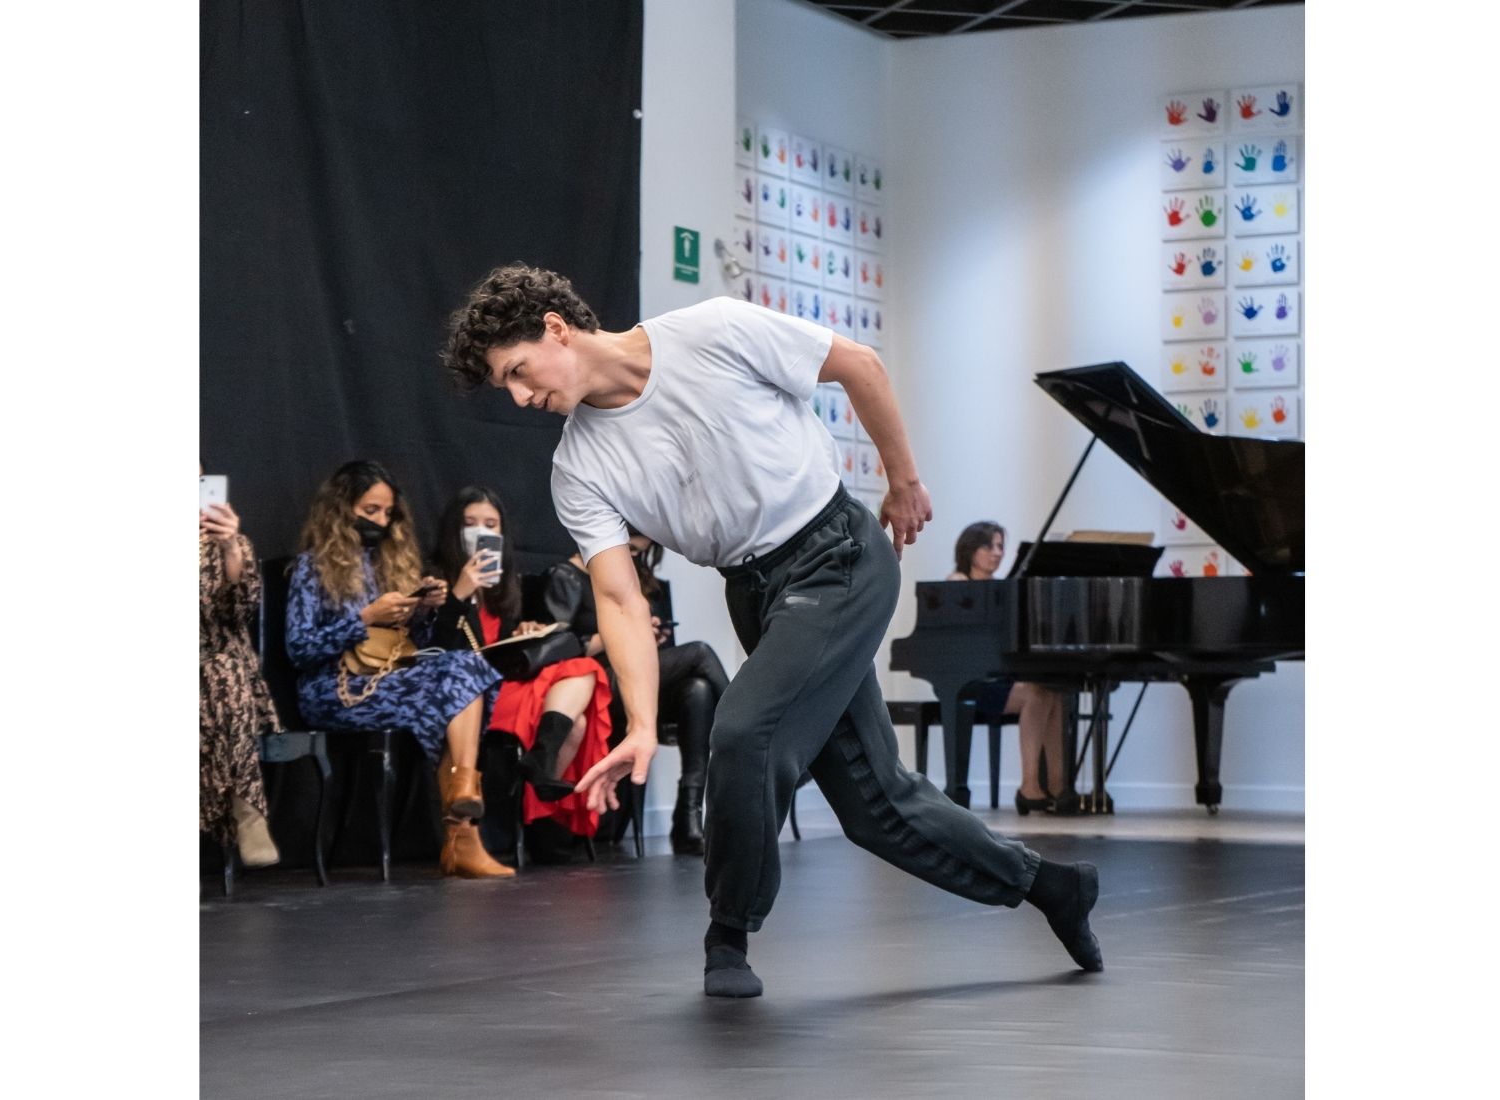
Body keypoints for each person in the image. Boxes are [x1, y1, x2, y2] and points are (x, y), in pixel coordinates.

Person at [442, 265, 1102, 998]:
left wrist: (903, 480)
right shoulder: (577, 466)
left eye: (518, 372)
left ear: (556, 329)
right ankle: (1053, 887)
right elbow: (620, 599)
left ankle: (728, 933)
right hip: (755, 592)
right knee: (876, 807)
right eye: (506, 386)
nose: (520, 397)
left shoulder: (712, 330)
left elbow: (859, 365)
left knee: (743, 731)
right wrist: (639, 723)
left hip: (835, 555)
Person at [285, 460, 512, 879]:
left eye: (387, 513)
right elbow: (300, 649)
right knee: (455, 693)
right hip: (332, 689)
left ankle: (463, 794)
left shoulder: (390, 563)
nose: (380, 521)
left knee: (465, 667)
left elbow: (416, 648)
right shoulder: (312, 567)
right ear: (342, 508)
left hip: (387, 679)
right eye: (370, 510)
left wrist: (424, 609)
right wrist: (365, 618)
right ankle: (462, 833)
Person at [430, 485, 612, 850]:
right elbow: (436, 649)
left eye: (490, 525)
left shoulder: (505, 584)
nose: (481, 532)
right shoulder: (435, 579)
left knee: (581, 678)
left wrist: (524, 632)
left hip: (502, 680)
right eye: (470, 523)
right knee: (575, 709)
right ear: (454, 529)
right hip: (465, 695)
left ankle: (543, 791)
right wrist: (459, 594)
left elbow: (501, 643)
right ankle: (543, 808)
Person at [545, 530, 727, 855]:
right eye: (628, 549)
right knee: (700, 652)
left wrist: (649, 638)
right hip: (589, 684)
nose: (632, 558)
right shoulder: (565, 576)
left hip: (633, 681)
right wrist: (619, 632)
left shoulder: (639, 578)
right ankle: (745, 733)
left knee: (697, 689)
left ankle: (688, 816)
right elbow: (558, 650)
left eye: (639, 553)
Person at [948, 522, 1075, 815]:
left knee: (1055, 693)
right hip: (972, 681)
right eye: (988, 546)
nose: (997, 553)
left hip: (1001, 677)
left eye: (1000, 546)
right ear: (969, 549)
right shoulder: (958, 582)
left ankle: (1057, 785)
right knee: (1037, 693)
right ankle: (1029, 786)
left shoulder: (1004, 589)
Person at [199, 481, 280, 867]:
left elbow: (239, 612)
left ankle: (247, 811)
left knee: (223, 670)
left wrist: (231, 549)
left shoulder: (230, 545)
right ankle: (246, 809)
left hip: (220, 670)